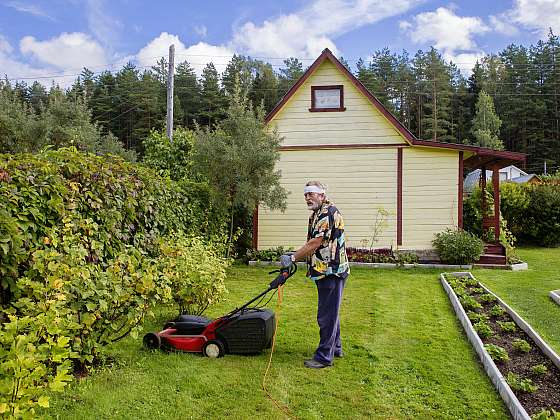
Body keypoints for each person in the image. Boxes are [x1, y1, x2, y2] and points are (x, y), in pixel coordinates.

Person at [280, 181, 349, 369]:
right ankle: (335, 348)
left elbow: (314, 243)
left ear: (321, 194)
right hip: (326, 269)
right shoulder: (319, 213)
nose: (307, 198)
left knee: (326, 315)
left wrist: (293, 258)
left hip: (331, 271)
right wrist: (294, 255)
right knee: (331, 312)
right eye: (305, 195)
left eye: (311, 194)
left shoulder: (327, 213)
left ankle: (323, 357)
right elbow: (313, 243)